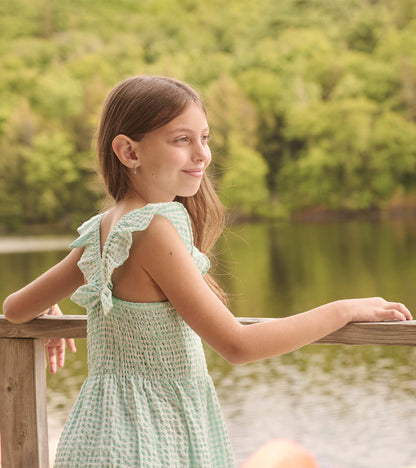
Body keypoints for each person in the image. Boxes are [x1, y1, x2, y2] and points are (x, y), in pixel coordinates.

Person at [3, 75, 412, 468]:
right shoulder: (152, 229)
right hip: (151, 442)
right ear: (130, 152)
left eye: (205, 137)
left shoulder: (103, 230)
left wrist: (49, 305)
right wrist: (343, 310)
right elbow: (238, 345)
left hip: (98, 436)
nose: (202, 154)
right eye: (181, 139)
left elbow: (16, 308)